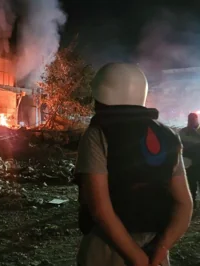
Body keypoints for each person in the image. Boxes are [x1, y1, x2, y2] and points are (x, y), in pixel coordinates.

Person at [74, 63, 193, 266]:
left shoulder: (98, 133)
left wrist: (136, 258)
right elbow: (185, 204)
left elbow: (100, 209)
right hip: (155, 251)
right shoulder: (168, 135)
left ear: (102, 96)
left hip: (108, 249)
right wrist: (161, 249)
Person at [179, 113, 200, 209]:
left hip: (190, 163)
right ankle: (193, 207)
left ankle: (192, 207)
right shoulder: (184, 132)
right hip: (191, 164)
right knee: (191, 186)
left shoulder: (183, 132)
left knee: (191, 185)